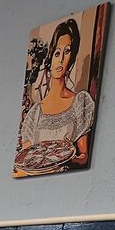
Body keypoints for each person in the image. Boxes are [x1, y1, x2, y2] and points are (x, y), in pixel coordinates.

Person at [17, 18, 94, 171]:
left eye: (67, 52)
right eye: (57, 53)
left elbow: (84, 156)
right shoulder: (35, 113)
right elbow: (25, 162)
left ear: (71, 59)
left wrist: (68, 160)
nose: (61, 59)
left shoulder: (80, 102)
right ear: (50, 58)